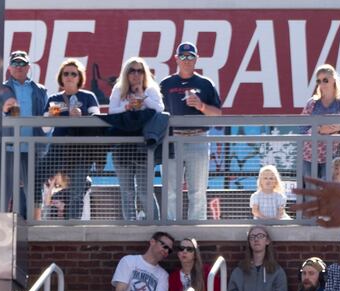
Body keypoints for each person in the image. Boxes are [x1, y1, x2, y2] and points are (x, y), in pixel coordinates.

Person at [160, 43, 224, 221]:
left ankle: (196, 230)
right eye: (183, 56)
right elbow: (157, 112)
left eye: (190, 56)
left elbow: (218, 114)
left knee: (198, 191)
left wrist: (201, 106)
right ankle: (170, 228)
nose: (186, 60)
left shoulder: (205, 83)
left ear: (196, 59)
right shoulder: (166, 84)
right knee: (171, 190)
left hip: (198, 138)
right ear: (176, 59)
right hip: (173, 140)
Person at [40, 59, 99, 221]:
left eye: (74, 73)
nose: (70, 77)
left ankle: (73, 228)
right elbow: (44, 128)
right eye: (66, 73)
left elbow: (99, 122)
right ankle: (44, 222)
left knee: (76, 193)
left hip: (82, 151)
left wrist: (83, 117)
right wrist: (50, 117)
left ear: (79, 77)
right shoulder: (54, 98)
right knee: (43, 184)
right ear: (61, 77)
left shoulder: (88, 97)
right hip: (58, 151)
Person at [107, 58, 163, 221]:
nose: (136, 74)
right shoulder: (119, 89)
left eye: (140, 71)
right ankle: (130, 225)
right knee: (127, 191)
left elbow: (160, 109)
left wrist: (142, 96)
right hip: (122, 146)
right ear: (126, 73)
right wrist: (127, 107)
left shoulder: (151, 90)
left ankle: (154, 224)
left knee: (144, 191)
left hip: (144, 146)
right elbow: (111, 111)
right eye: (132, 70)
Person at [0, 51, 49, 217]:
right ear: (9, 68)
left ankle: (36, 226)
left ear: (28, 67)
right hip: (7, 147)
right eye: (15, 64)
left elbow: (47, 117)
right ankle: (0, 224)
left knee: (34, 190)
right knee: (4, 190)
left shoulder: (41, 89)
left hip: (32, 146)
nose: (18, 67)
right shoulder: (0, 88)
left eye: (22, 64)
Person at [301, 63, 340, 181]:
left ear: (334, 80)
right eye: (318, 81)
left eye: (325, 80)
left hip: (334, 156)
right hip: (309, 155)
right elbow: (302, 129)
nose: (322, 84)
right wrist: (319, 129)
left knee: (330, 191)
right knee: (311, 192)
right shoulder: (312, 103)